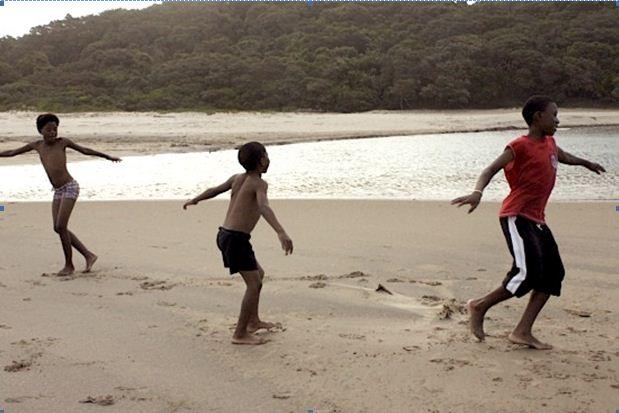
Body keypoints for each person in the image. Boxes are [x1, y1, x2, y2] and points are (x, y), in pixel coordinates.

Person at [451, 95, 605, 350]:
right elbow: (489, 170)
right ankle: (479, 306)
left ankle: (522, 331)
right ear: (538, 117)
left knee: (553, 275)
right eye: (554, 115)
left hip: (537, 220)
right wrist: (477, 193)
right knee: (528, 273)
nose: (557, 120)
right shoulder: (518, 146)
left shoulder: (550, 143)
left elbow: (562, 155)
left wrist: (586, 163)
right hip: (517, 216)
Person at [183, 141, 293, 345]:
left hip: (225, 235)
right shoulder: (259, 184)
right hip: (235, 239)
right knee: (254, 284)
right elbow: (264, 207)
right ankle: (240, 333)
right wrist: (281, 232)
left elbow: (214, 190)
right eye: (266, 155)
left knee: (258, 275)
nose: (269, 159)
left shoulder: (237, 178)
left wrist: (196, 199)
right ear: (261, 162)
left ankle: (253, 321)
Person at [0, 113, 121, 275]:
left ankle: (69, 265)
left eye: (55, 129)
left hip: (70, 187)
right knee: (57, 228)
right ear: (40, 131)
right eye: (49, 130)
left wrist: (107, 156)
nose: (52, 133)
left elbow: (84, 150)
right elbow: (12, 152)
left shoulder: (62, 142)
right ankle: (89, 255)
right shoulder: (37, 145)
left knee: (60, 226)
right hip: (57, 190)